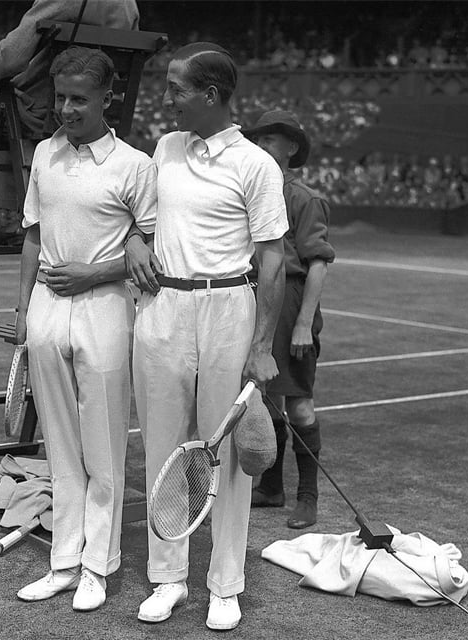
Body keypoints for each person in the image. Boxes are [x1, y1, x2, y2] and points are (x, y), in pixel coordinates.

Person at [124, 42, 287, 632]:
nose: (168, 99)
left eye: (177, 89)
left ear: (211, 95)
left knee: (226, 457)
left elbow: (272, 262)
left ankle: (225, 584)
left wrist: (263, 346)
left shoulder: (257, 165)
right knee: (165, 448)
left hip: (228, 310)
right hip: (163, 307)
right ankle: (167, 579)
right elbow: (138, 217)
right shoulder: (165, 147)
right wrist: (136, 241)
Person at [14, 46, 157, 612]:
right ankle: (63, 563)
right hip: (46, 311)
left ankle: (99, 566)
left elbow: (151, 252)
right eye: (61, 98)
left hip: (105, 310)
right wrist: (25, 315)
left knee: (103, 450)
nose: (67, 109)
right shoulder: (45, 155)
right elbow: (31, 235)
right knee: (60, 447)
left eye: (79, 99)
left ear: (107, 100)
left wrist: (92, 273)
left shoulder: (135, 165)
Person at [0, 0, 139, 247]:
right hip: (104, 112)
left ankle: (8, 215)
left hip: (50, 111)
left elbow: (11, 56)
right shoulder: (128, 5)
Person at [242, 110, 336, 531]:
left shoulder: (304, 198)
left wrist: (302, 323)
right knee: (266, 398)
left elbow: (317, 264)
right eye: (257, 137)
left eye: (271, 138)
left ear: (291, 147)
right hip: (260, 298)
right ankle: (273, 486)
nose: (260, 144)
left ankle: (308, 497)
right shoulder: (254, 192)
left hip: (293, 301)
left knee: (298, 402)